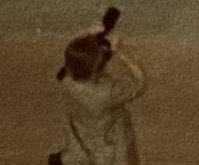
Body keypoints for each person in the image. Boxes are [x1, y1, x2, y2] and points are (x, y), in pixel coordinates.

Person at [51, 15, 144, 165]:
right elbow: (139, 82)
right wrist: (121, 52)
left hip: (82, 133)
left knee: (81, 150)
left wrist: (87, 35)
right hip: (110, 145)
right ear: (97, 70)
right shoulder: (108, 92)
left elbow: (72, 55)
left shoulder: (68, 80)